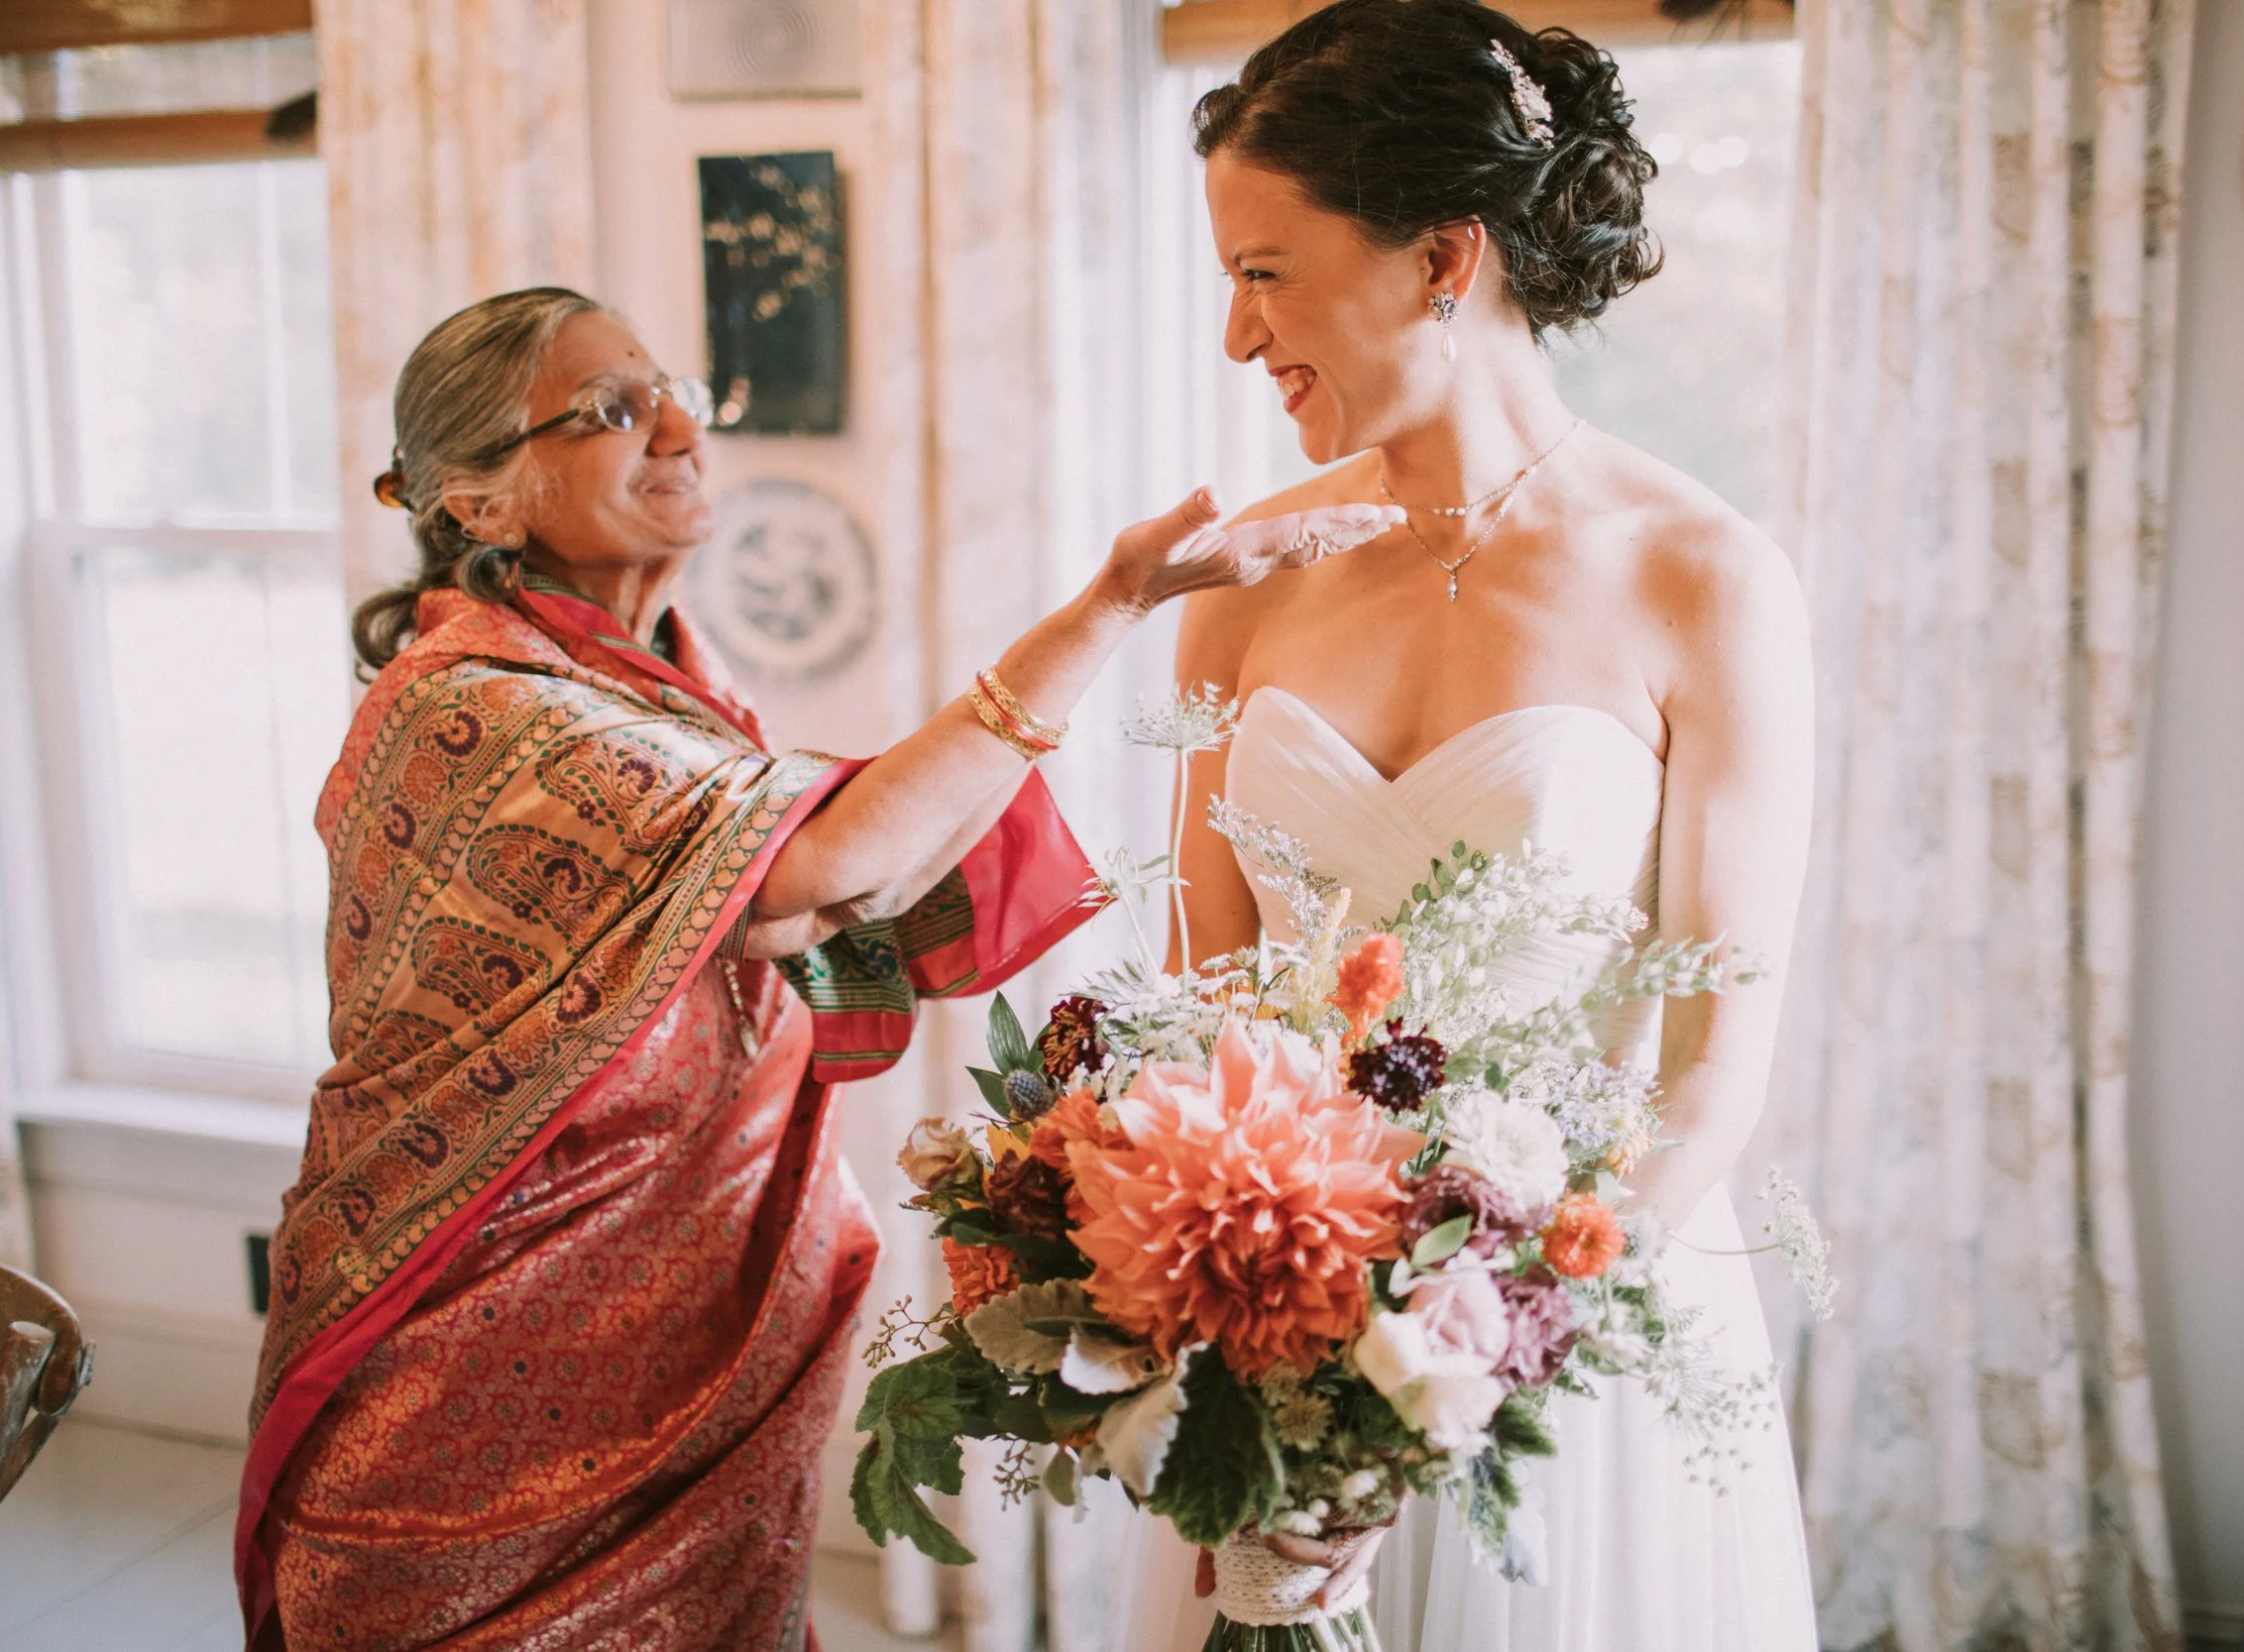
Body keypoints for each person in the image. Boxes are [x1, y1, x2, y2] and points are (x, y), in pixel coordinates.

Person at [231, 286, 1398, 1651]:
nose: (679, 426)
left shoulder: (657, 674)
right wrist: (1114, 603)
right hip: (488, 1369)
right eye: (613, 410)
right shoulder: (477, 707)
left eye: (673, 388)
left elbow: (831, 893)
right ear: (481, 503)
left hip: (677, 1353)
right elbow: (824, 867)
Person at [1120, 3, 1819, 1649]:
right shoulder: (1240, 584)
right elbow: (1202, 998)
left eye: (1268, 272)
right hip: (1278, 1330)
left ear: (1442, 254)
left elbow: (1712, 1070)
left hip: (1574, 1335)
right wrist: (1264, 1340)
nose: (1236, 334)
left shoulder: (1702, 581)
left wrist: (1458, 1358)